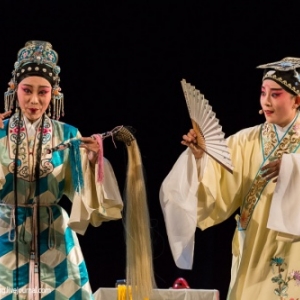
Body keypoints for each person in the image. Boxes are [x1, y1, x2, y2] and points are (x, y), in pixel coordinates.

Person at [0, 40, 155, 300]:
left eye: (43, 92)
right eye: (27, 90)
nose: (35, 100)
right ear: (14, 89)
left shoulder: (69, 135)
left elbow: (82, 191)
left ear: (54, 93)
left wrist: (94, 162)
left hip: (54, 237)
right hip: (4, 231)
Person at [160, 57, 300, 300]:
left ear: (297, 100)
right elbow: (219, 184)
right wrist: (201, 157)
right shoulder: (245, 140)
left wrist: (292, 168)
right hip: (254, 243)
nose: (266, 101)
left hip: (294, 247)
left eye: (275, 94)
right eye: (263, 92)